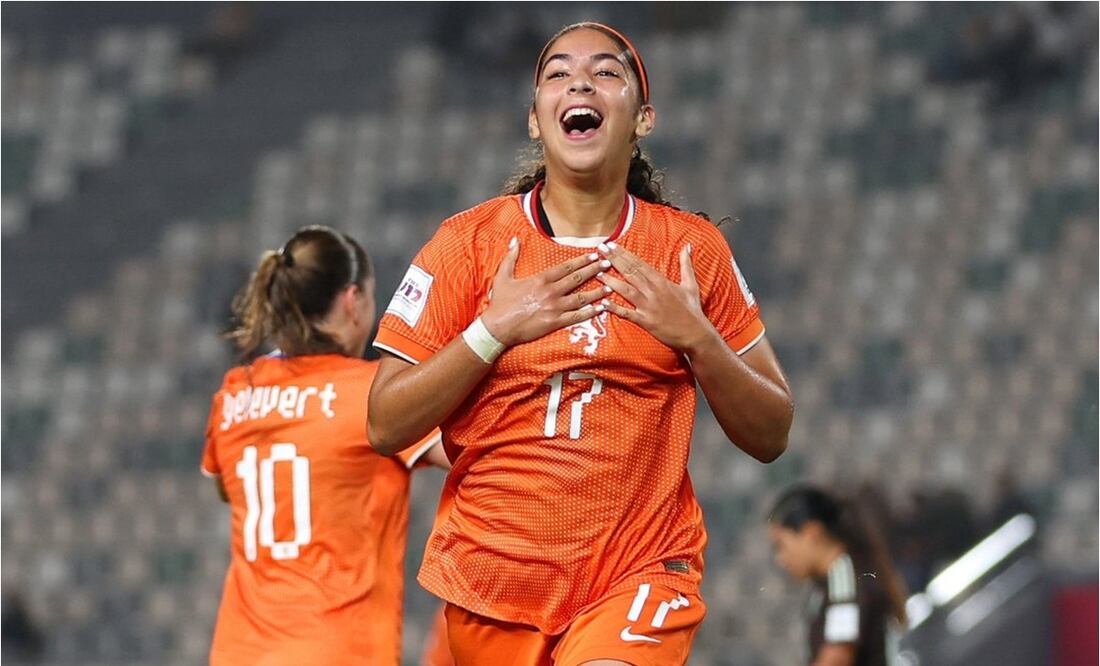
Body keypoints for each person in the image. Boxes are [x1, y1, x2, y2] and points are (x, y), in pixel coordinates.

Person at [368, 22, 793, 665]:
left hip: (640, 568)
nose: (581, 82)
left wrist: (698, 340)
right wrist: (493, 332)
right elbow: (382, 421)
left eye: (605, 72)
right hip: (493, 584)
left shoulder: (690, 251)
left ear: (642, 118)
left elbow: (772, 433)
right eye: (558, 74)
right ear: (537, 120)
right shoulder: (466, 245)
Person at [201, 225, 448, 665]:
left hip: (238, 652)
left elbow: (227, 487)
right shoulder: (368, 394)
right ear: (353, 300)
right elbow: (471, 453)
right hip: (338, 651)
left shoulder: (236, 391)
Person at [767, 485, 908, 666]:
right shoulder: (827, 582)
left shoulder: (845, 579)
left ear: (811, 532)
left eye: (781, 545)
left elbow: (837, 658)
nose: (780, 558)